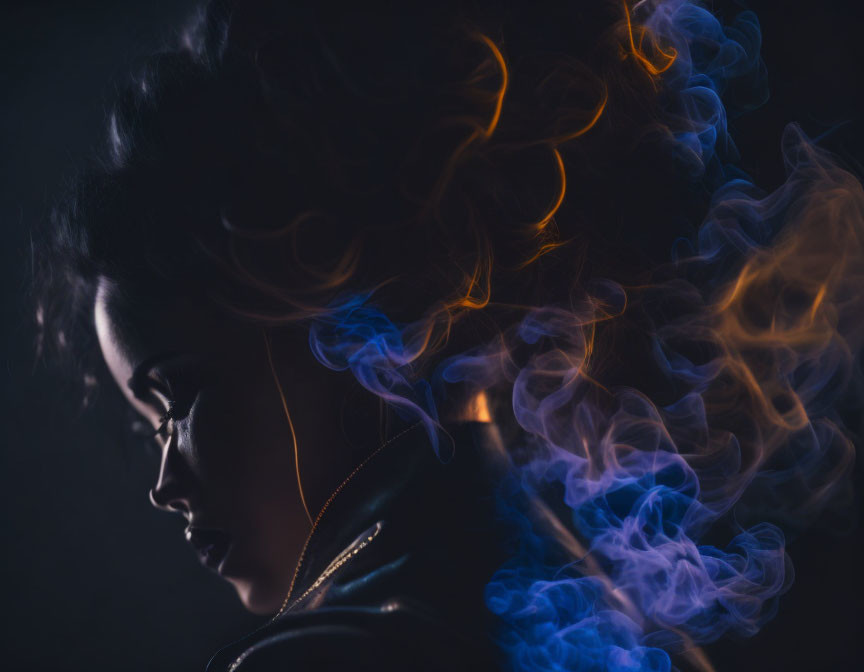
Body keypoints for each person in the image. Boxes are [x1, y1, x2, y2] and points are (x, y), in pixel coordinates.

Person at [37, 0, 863, 670]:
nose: (163, 483)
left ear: (338, 304)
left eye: (177, 399)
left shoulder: (326, 658)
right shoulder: (642, 643)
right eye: (151, 427)